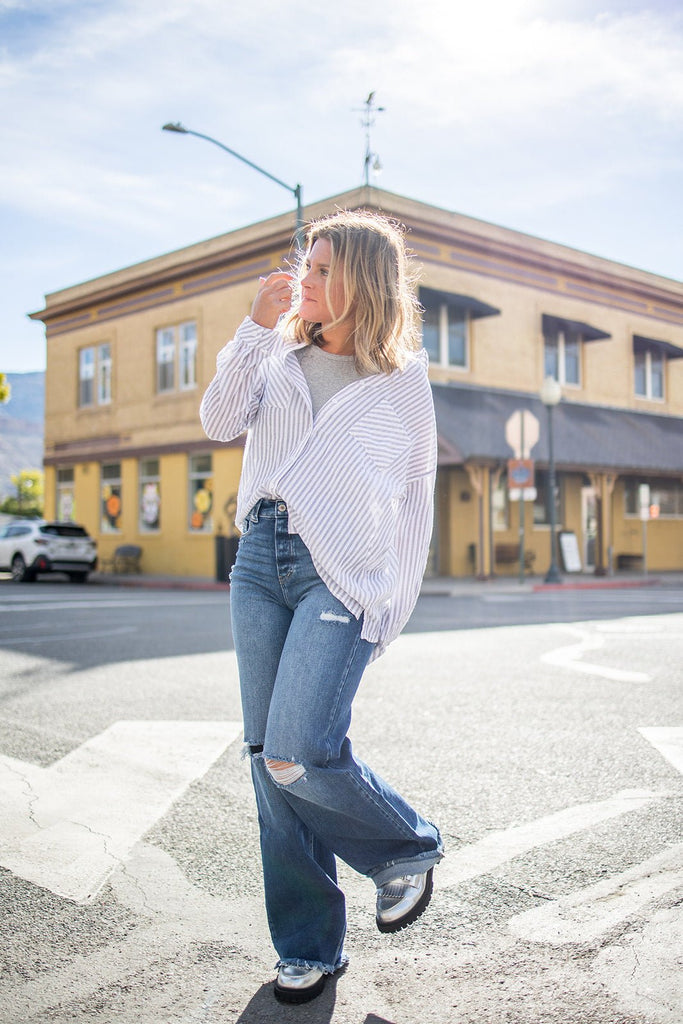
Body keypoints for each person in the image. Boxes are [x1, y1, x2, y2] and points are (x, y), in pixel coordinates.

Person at [200, 209, 443, 1005]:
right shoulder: (274, 352)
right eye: (303, 262)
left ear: (360, 282)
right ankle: (307, 946)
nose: (302, 276)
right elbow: (217, 420)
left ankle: (402, 846)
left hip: (338, 576)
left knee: (298, 745)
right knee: (267, 762)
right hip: (257, 563)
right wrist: (253, 328)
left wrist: (389, 605)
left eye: (320, 266)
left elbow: (415, 499)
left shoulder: (400, 379)